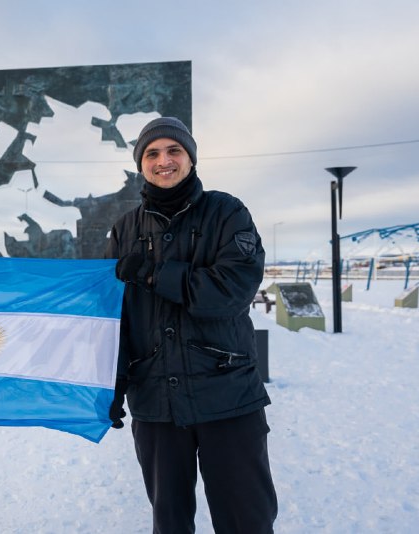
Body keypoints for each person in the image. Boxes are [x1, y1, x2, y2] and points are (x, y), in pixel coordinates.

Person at [106, 117, 277, 533]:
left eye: (173, 151)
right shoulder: (124, 229)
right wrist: (111, 384)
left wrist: (152, 273)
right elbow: (115, 319)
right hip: (156, 404)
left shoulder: (227, 212)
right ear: (140, 164)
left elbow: (230, 291)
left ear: (190, 158)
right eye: (152, 153)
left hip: (227, 396)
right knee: (170, 522)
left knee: (245, 520)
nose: (164, 161)